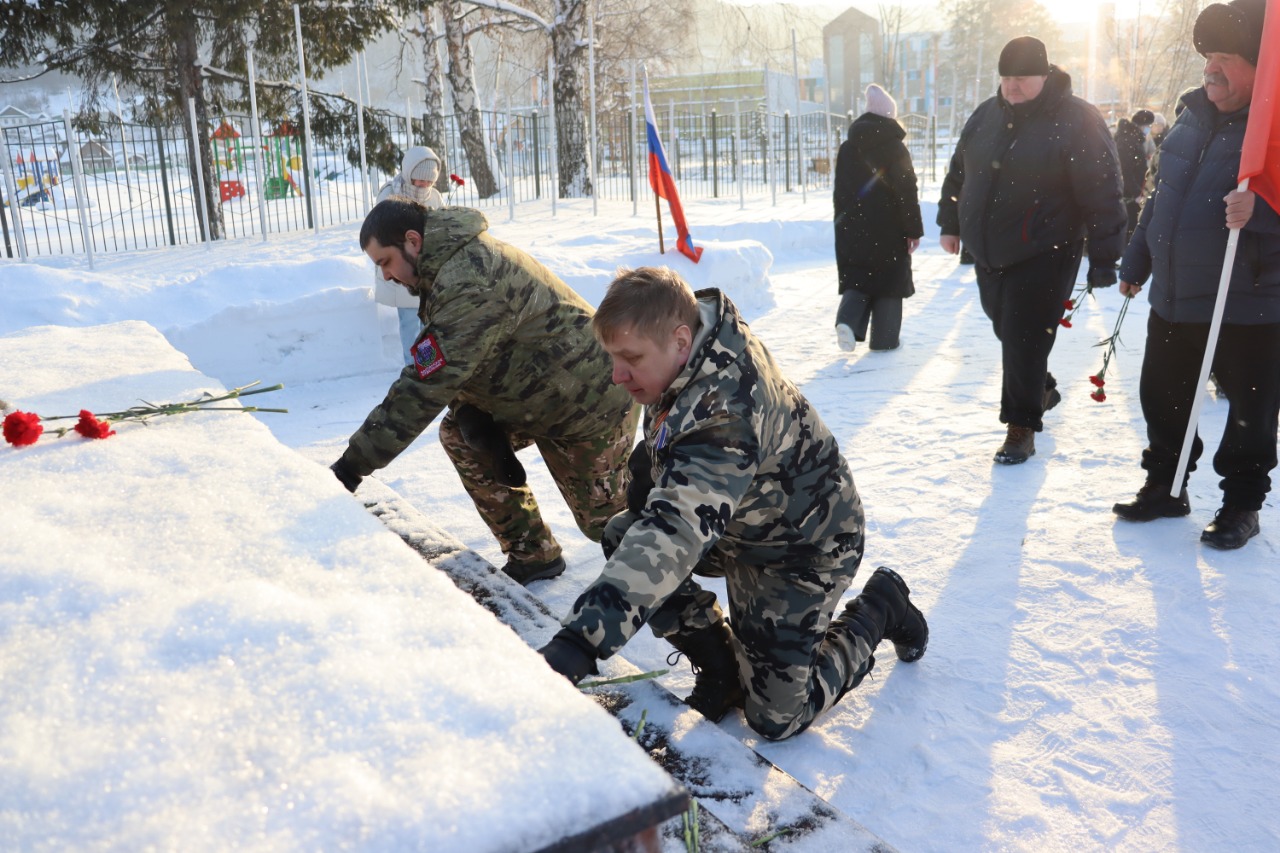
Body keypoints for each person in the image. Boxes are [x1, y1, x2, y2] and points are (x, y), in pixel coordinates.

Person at [538, 267, 928, 741]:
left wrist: (580, 641)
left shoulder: (725, 407)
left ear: (681, 340)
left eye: (630, 358)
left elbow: (677, 530)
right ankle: (721, 669)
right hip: (740, 527)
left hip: (806, 546)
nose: (618, 375)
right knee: (625, 533)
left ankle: (880, 608)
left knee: (775, 719)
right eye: (614, 357)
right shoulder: (693, 348)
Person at [330, 198, 641, 583]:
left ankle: (700, 510)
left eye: (385, 262)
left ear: (412, 241)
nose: (387, 277)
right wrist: (470, 413)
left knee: (608, 525)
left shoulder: (468, 279)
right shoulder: (443, 269)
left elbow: (423, 386)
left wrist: (350, 467)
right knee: (459, 434)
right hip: (539, 396)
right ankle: (533, 553)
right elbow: (455, 358)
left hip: (588, 404)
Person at [1113, 0, 1279, 551]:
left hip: (1249, 298)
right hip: (1176, 295)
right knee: (1162, 394)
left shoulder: (1272, 126)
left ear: (1261, 64)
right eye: (1208, 55)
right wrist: (1138, 257)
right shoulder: (1188, 117)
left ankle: (1241, 504)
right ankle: (1166, 482)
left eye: (1227, 57)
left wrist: (1265, 212)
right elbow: (1162, 196)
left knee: (1250, 409)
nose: (1211, 68)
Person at [938, 35, 1126, 465]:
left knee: (1023, 336)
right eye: (1005, 78)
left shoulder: (1077, 120)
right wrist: (950, 223)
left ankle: (1020, 426)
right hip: (990, 252)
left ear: (1045, 75)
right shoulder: (987, 114)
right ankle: (1038, 389)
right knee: (1006, 327)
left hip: (1046, 249)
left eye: (1021, 78)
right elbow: (959, 170)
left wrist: (1103, 257)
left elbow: (1102, 192)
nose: (1011, 87)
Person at [832, 84, 924, 353]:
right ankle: (885, 341)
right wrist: (913, 230)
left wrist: (845, 224)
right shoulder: (895, 148)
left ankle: (848, 322)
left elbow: (841, 191)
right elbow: (907, 190)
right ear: (890, 116)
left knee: (859, 274)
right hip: (889, 227)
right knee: (890, 282)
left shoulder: (848, 147)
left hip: (853, 225)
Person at [373, 146, 445, 366]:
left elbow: (442, 227)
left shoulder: (435, 197)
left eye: (428, 181)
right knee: (409, 324)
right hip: (401, 272)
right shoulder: (390, 194)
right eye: (418, 180)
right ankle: (413, 369)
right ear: (408, 173)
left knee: (428, 324)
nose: (423, 185)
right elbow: (379, 232)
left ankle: (428, 368)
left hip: (427, 271)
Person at [1114, 110, 1154, 242]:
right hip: (1128, 194)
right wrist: (1136, 193)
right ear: (1142, 125)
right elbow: (1125, 170)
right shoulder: (1128, 140)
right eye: (1149, 125)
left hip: (1132, 191)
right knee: (1129, 230)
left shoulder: (1133, 138)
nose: (1149, 129)